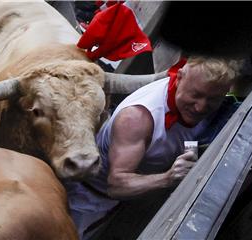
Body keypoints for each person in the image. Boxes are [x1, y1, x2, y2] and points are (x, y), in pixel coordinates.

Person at [63, 56, 239, 239]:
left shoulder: (211, 101)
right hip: (82, 201)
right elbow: (116, 185)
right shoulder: (137, 118)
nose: (201, 107)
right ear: (179, 78)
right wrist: (168, 178)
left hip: (117, 204)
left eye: (213, 99)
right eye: (195, 95)